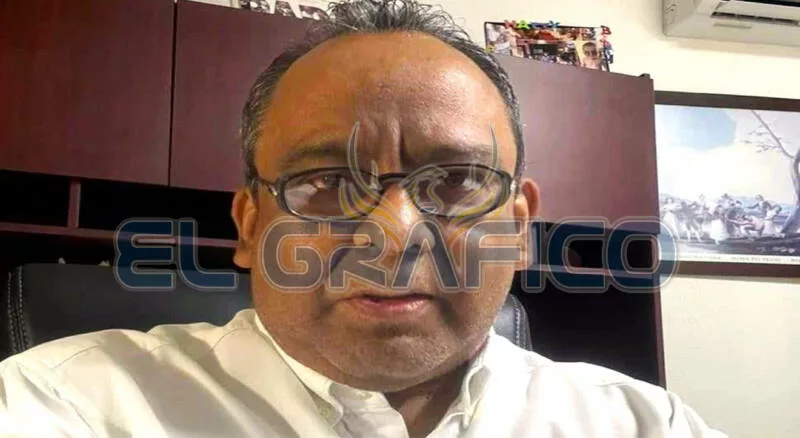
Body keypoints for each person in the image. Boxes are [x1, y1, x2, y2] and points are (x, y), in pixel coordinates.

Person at [0, 1, 726, 437]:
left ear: (517, 227)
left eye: (458, 181)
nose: (394, 233)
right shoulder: (69, 405)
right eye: (324, 182)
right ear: (251, 226)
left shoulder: (640, 424)